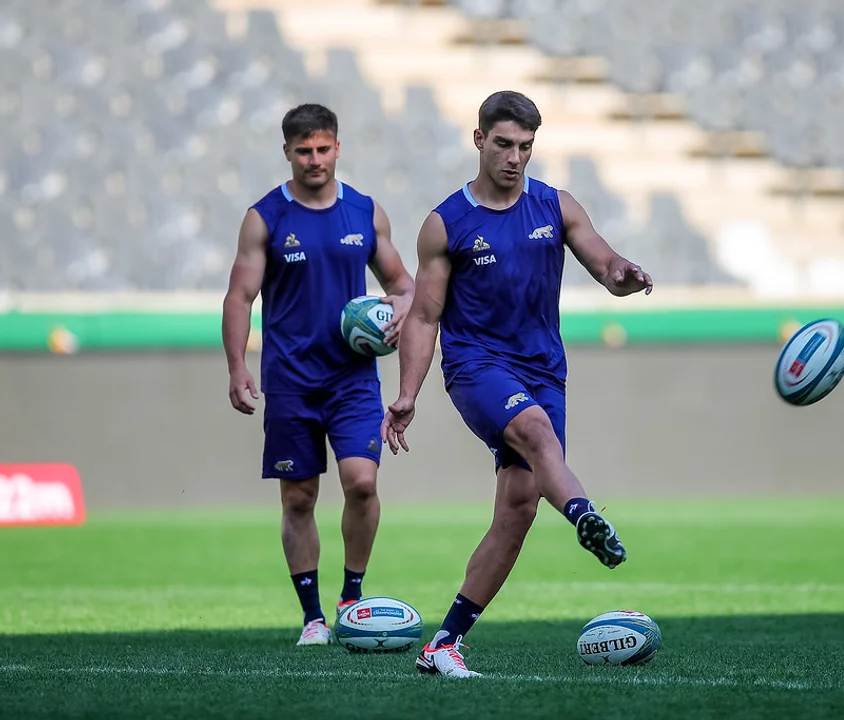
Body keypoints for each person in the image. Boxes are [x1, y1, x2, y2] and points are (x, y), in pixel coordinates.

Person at [381, 90, 653, 678]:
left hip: (543, 369)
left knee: (518, 508)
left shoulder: (556, 205)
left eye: (526, 146)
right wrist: (407, 394)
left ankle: (444, 645)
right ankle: (583, 514)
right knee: (533, 432)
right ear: (479, 140)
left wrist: (623, 274)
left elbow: (605, 264)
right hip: (476, 367)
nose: (514, 157)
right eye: (504, 143)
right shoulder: (446, 223)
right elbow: (425, 317)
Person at [222, 103, 415, 646]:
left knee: (362, 482)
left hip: (352, 380)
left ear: (337, 148)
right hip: (289, 381)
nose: (314, 159)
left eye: (323, 148)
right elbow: (239, 296)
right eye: (303, 150)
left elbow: (403, 283)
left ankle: (351, 599)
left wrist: (399, 310)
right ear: (286, 152)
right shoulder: (265, 218)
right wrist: (238, 367)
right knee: (299, 498)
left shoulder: (365, 211)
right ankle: (312, 618)